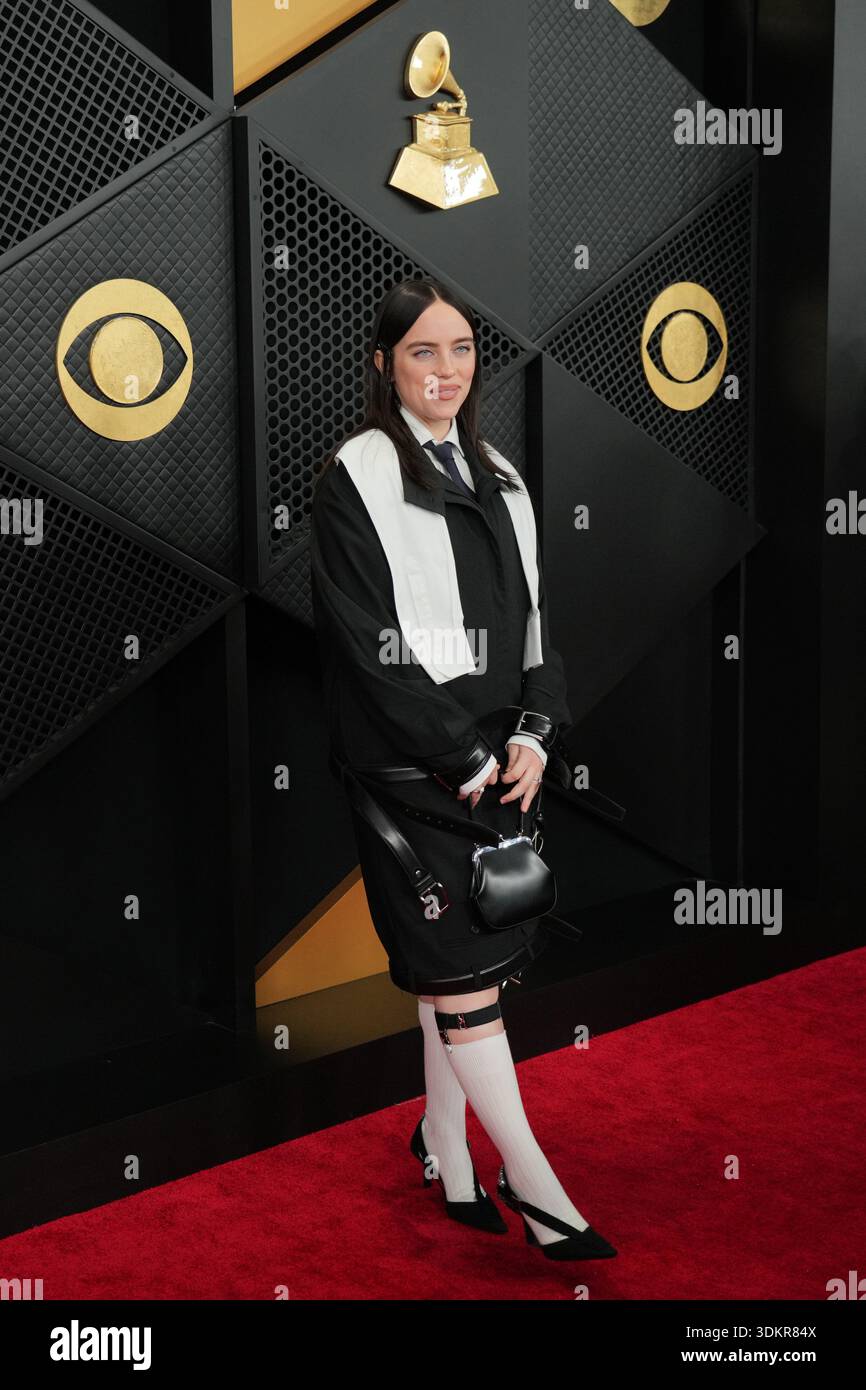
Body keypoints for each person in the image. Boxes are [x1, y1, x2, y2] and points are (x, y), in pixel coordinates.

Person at [309, 276, 616, 1261]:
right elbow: (365, 640)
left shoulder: (500, 474)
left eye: (459, 351)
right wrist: (462, 753)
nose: (445, 370)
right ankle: (532, 1181)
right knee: (461, 973)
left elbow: (533, 623)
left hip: (496, 759)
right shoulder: (352, 474)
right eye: (421, 352)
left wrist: (532, 733)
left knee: (461, 965)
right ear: (383, 363)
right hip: (411, 767)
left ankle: (444, 1141)